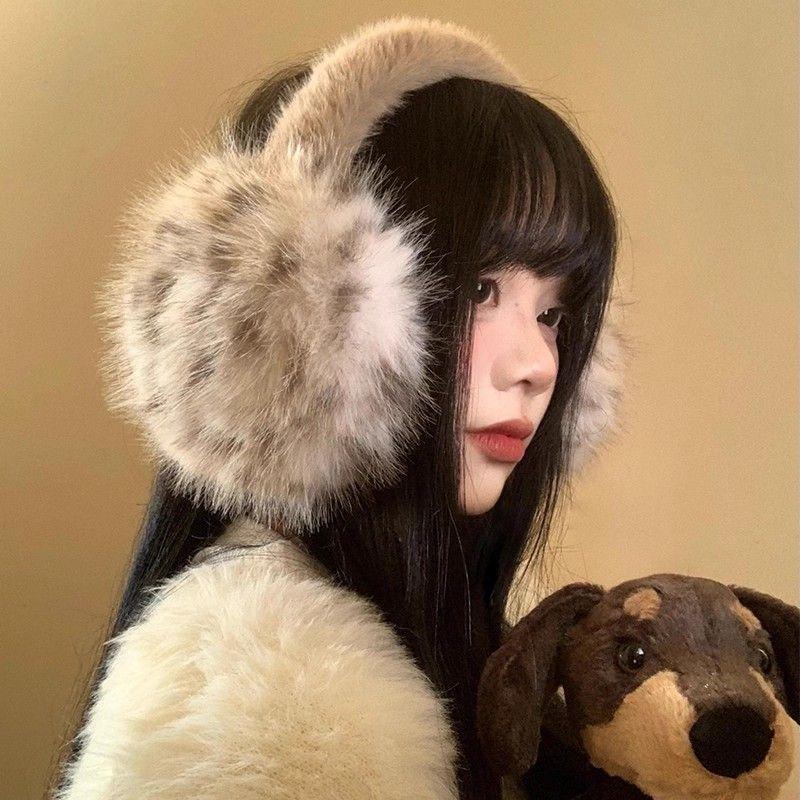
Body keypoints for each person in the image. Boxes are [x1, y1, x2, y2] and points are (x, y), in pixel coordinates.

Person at [50, 15, 629, 800]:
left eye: (554, 314)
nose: (537, 366)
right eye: (479, 289)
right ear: (297, 325)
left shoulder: (423, 636)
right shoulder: (271, 704)